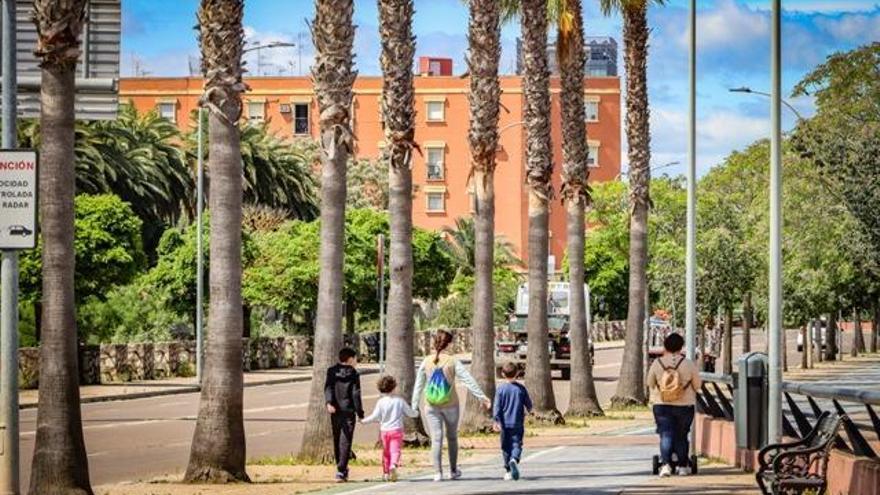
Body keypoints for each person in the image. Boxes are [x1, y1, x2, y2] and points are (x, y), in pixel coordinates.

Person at [411, 329, 491, 482]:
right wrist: (482, 397)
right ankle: (453, 471)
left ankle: (437, 473)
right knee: (452, 437)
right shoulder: (453, 361)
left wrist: (414, 406)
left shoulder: (426, 361)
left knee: (436, 438)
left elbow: (418, 386)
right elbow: (468, 380)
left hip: (431, 406)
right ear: (449, 344)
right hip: (451, 405)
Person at [646, 333, 702, 477]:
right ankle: (682, 466)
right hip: (685, 406)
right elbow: (697, 385)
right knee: (682, 435)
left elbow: (650, 383)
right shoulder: (689, 364)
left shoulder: (657, 363)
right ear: (681, 347)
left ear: (665, 346)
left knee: (666, 434)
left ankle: (665, 465)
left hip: (662, 404)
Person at [361, 375, 419, 482]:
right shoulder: (399, 401)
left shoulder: (381, 402)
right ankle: (393, 465)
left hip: (384, 431)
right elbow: (410, 413)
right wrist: (417, 413)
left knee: (386, 452)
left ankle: (386, 473)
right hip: (397, 430)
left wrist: (364, 421)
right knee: (395, 450)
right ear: (394, 387)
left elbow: (375, 416)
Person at [324, 347, 364, 482]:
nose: (356, 361)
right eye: (356, 358)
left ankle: (340, 468)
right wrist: (360, 412)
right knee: (345, 440)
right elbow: (355, 394)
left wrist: (329, 403)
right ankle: (341, 469)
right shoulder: (354, 374)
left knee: (337, 438)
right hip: (348, 411)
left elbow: (328, 387)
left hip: (335, 410)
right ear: (350, 359)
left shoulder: (331, 371)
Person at [492, 362, 532, 481]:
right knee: (517, 444)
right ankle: (514, 459)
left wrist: (496, 420)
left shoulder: (500, 390)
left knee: (505, 447)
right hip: (517, 422)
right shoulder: (521, 389)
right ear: (518, 373)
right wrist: (529, 410)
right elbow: (529, 404)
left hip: (504, 424)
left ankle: (508, 470)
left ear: (503, 374)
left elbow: (497, 407)